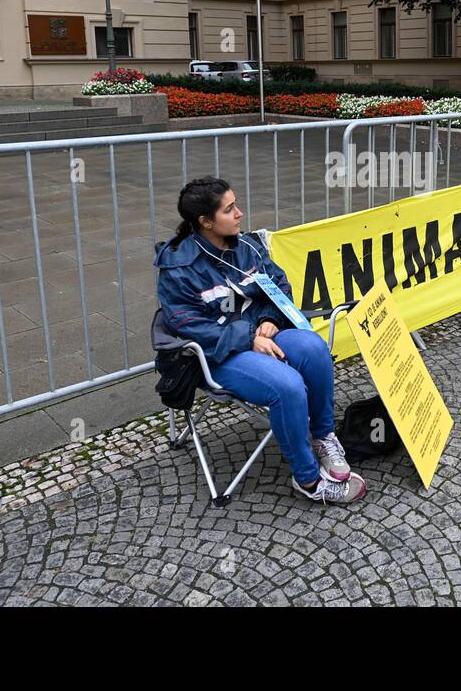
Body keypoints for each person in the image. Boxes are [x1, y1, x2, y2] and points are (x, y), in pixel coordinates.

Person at [155, 176, 366, 504]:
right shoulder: (178, 267)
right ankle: (308, 481)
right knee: (288, 385)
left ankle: (323, 436)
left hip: (264, 333)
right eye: (229, 209)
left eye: (236, 204)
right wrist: (250, 336)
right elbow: (189, 326)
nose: (239, 213)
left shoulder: (248, 245)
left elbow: (279, 284)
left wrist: (269, 319)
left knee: (314, 348)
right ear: (205, 222)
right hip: (217, 354)